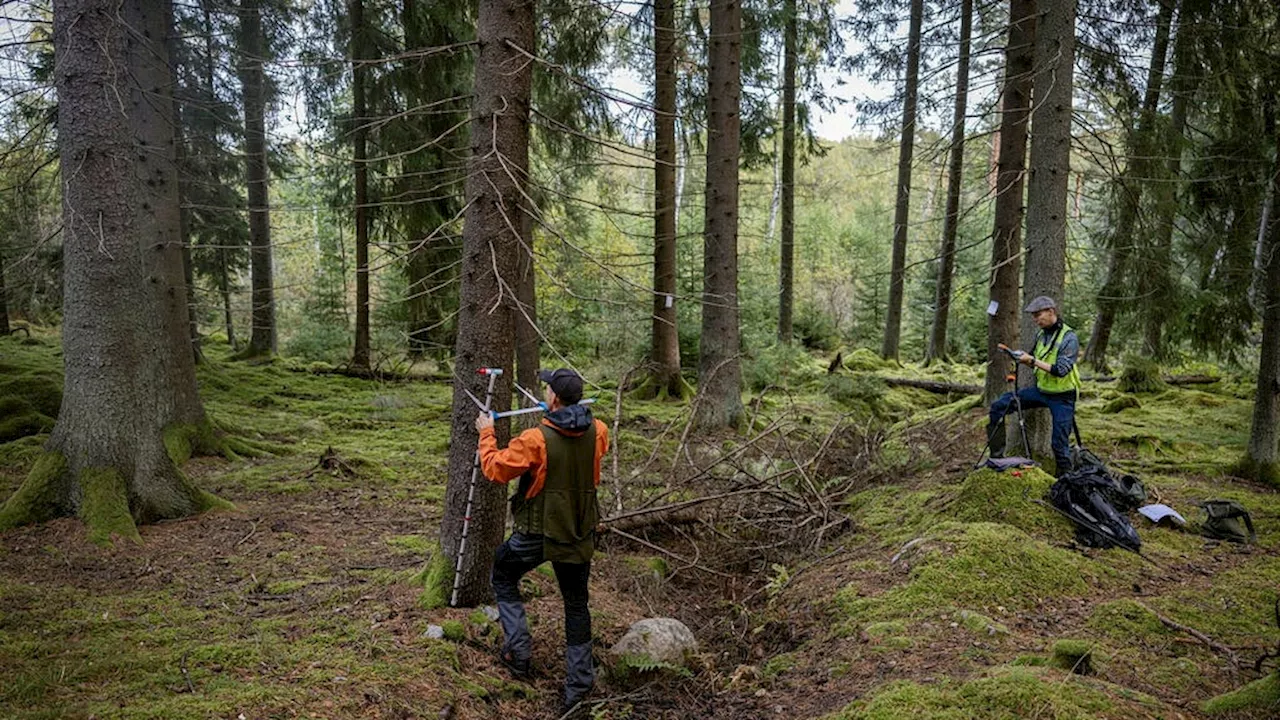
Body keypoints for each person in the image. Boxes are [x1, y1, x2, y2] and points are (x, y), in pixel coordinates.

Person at [474, 368, 608, 715]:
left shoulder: (534, 440)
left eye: (548, 389)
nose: (546, 392)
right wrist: (558, 417)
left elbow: (495, 469)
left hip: (536, 536)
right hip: (578, 534)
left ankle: (518, 654)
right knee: (577, 605)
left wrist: (486, 433)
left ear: (554, 398)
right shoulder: (600, 431)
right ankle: (578, 688)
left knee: (503, 573)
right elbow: (579, 440)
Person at [987, 296, 1082, 476]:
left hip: (1063, 397)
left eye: (1038, 315)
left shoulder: (1069, 338)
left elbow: (1060, 370)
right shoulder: (1041, 334)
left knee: (1059, 445)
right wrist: (1021, 357)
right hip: (1042, 391)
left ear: (1051, 312)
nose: (1035, 319)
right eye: (1033, 316)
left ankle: (1066, 482)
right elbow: (1033, 360)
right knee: (999, 406)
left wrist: (1031, 360)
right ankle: (997, 457)